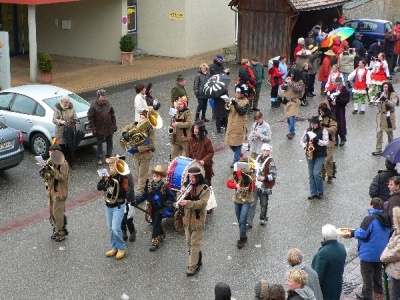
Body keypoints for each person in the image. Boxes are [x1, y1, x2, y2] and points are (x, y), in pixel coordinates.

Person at [347, 197, 391, 300]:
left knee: (367, 274)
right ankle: (379, 292)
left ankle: (366, 295)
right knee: (378, 272)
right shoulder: (387, 218)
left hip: (368, 253)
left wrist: (353, 232)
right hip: (381, 252)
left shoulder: (370, 218)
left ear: (372, 205)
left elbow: (362, 233)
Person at [177, 166, 210, 276]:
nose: (191, 179)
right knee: (188, 242)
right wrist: (180, 193)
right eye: (189, 177)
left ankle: (192, 266)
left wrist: (187, 203)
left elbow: (201, 204)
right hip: (187, 220)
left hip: (197, 220)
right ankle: (197, 258)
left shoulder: (205, 189)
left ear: (198, 176)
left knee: (195, 244)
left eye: (193, 177)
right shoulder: (187, 186)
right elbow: (179, 198)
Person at [97, 156, 130, 260]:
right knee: (111, 228)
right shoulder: (107, 175)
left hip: (118, 205)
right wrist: (103, 183)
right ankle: (114, 247)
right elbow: (99, 187)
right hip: (108, 205)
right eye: (110, 164)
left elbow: (124, 192)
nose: (111, 166)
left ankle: (121, 248)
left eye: (112, 164)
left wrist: (112, 184)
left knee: (116, 228)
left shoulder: (123, 176)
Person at [135, 165, 175, 251]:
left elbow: (171, 196)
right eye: (154, 176)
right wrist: (137, 201)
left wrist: (168, 202)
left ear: (161, 177)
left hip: (161, 208)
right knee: (155, 221)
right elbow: (144, 196)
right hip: (152, 207)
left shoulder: (164, 186)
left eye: (157, 176)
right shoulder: (149, 185)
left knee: (156, 223)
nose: (155, 178)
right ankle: (162, 234)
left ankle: (154, 241)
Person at [122, 108, 156, 195]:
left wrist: (138, 149)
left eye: (143, 117)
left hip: (145, 155)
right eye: (140, 116)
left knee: (142, 175)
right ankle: (148, 188)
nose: (141, 118)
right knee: (139, 174)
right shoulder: (135, 124)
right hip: (136, 155)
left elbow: (151, 144)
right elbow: (125, 127)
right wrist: (125, 133)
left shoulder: (150, 129)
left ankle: (139, 193)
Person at [40, 147, 70, 242]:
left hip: (60, 192)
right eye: (49, 153)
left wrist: (53, 171)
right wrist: (44, 171)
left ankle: (61, 231)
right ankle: (56, 229)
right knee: (51, 212)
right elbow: (47, 176)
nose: (50, 155)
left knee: (58, 213)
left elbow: (63, 177)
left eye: (52, 153)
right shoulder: (50, 161)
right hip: (51, 191)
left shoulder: (63, 164)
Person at [311, 224, 346, 300]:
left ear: (324, 237)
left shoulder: (323, 253)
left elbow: (318, 275)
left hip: (326, 289)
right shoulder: (341, 247)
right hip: (337, 283)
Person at [226, 162, 256, 249]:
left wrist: (249, 181)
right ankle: (243, 233)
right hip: (237, 199)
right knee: (239, 219)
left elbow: (253, 188)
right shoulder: (236, 174)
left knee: (242, 219)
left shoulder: (252, 175)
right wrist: (236, 185)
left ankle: (242, 238)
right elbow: (228, 183)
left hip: (247, 200)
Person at [247, 143, 276, 227]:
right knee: (252, 203)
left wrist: (264, 178)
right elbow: (254, 168)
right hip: (255, 184)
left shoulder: (271, 162)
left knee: (263, 203)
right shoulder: (258, 158)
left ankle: (262, 218)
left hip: (264, 186)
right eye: (264, 150)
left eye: (267, 151)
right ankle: (249, 221)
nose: (265, 152)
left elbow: (273, 175)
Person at [301, 116, 329, 200]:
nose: (312, 125)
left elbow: (326, 142)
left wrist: (318, 141)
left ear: (318, 124)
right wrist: (305, 147)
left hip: (320, 154)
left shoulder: (323, 130)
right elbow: (301, 141)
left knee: (316, 173)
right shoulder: (307, 130)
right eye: (311, 124)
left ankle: (320, 191)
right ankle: (313, 193)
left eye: (314, 124)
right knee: (311, 174)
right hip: (310, 154)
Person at [87, 89, 117, 165]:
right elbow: (90, 118)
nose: (104, 97)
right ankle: (99, 158)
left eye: (105, 95)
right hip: (99, 128)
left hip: (109, 127)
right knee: (99, 144)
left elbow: (112, 115)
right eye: (103, 96)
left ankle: (109, 156)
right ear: (98, 96)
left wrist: (114, 124)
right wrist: (93, 128)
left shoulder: (108, 103)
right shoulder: (93, 106)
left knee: (109, 142)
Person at [225, 84, 250, 167]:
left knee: (238, 144)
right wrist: (227, 104)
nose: (237, 94)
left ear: (242, 93)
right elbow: (227, 111)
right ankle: (240, 154)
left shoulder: (246, 102)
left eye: (239, 93)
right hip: (231, 125)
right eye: (236, 92)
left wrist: (235, 104)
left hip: (239, 126)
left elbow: (242, 111)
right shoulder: (233, 99)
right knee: (230, 143)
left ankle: (235, 161)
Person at [372, 82, 398, 156]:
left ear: (389, 87)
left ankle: (391, 148)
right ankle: (378, 149)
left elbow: (393, 104)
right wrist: (375, 98)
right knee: (379, 132)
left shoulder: (394, 94)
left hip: (389, 115)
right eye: (383, 87)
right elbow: (375, 103)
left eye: (386, 87)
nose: (385, 89)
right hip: (380, 115)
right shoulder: (381, 93)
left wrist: (386, 100)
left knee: (389, 132)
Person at [380, 206, 400, 300]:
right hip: (395, 270)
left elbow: (396, 252)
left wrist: (383, 257)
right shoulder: (396, 231)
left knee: (396, 295)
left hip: (398, 271)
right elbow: (390, 244)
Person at [52, 95, 77, 168]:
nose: (67, 104)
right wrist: (60, 122)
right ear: (62, 102)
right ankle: (61, 164)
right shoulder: (57, 109)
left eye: (68, 102)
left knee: (70, 148)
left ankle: (71, 163)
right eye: (65, 102)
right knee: (61, 148)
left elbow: (75, 116)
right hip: (60, 131)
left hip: (69, 130)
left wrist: (73, 120)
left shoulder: (71, 108)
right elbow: (54, 119)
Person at [187, 120, 214, 186]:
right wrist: (188, 161)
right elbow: (188, 151)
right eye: (194, 128)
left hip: (205, 167)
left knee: (206, 184)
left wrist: (204, 161)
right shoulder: (191, 139)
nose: (195, 130)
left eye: (197, 128)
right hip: (194, 165)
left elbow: (211, 152)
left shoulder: (207, 140)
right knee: (194, 184)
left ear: (201, 129)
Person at [282, 68, 305, 139]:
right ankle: (291, 129)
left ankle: (292, 132)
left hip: (295, 101)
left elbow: (297, 90)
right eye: (290, 74)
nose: (291, 75)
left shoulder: (300, 82)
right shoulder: (289, 79)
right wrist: (285, 84)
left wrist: (290, 83)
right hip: (288, 101)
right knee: (288, 118)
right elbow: (283, 88)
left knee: (292, 117)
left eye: (293, 74)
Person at [327, 77, 350, 146]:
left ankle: (343, 138)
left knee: (341, 123)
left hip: (341, 109)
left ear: (342, 83)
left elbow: (346, 101)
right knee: (334, 123)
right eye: (337, 85)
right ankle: (335, 138)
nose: (338, 86)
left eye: (339, 84)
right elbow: (329, 99)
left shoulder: (345, 91)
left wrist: (339, 98)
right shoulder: (333, 90)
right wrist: (330, 101)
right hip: (334, 109)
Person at [319, 103, 338, 184]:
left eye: (321, 110)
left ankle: (330, 175)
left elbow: (334, 129)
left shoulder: (331, 118)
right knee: (322, 158)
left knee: (327, 159)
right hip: (321, 141)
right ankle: (323, 174)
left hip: (330, 141)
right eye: (319, 110)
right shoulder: (320, 118)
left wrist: (324, 130)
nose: (320, 112)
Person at [170, 96, 194, 160]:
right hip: (176, 139)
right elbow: (172, 123)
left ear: (184, 105)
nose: (178, 106)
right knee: (174, 156)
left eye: (180, 104)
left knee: (190, 156)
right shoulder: (175, 112)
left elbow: (188, 124)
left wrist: (177, 124)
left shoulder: (188, 113)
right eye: (178, 104)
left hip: (185, 139)